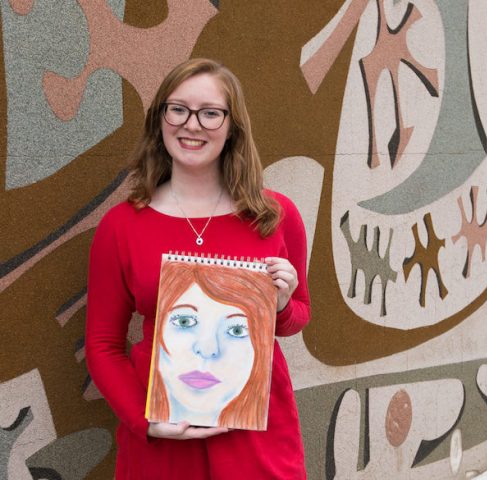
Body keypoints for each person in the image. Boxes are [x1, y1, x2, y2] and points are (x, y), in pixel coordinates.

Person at [85, 58, 310, 479]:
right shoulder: (122, 226)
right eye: (179, 109)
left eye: (210, 113)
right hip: (164, 435)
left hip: (256, 432)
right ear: (161, 119)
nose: (192, 125)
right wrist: (145, 421)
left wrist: (280, 303)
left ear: (232, 126)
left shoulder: (275, 216)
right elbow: (102, 344)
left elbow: (298, 316)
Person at [147, 259, 277, 431]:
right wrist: (139, 419)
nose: (208, 350)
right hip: (155, 443)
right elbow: (104, 340)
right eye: (184, 321)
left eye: (237, 330)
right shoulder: (121, 233)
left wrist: (283, 302)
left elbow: (298, 315)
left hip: (256, 441)